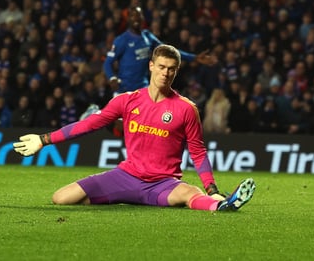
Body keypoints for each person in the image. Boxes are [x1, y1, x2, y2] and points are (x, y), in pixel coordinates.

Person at [13, 44, 255, 211]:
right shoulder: (127, 100)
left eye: (171, 69)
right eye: (161, 67)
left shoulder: (186, 109)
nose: (166, 73)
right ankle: (122, 197)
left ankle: (220, 204)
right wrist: (43, 140)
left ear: (177, 71)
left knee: (189, 193)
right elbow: (89, 124)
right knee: (61, 198)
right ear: (151, 66)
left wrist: (211, 188)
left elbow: (198, 151)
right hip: (125, 177)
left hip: (163, 183)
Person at [103, 6, 217, 94]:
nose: (136, 18)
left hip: (143, 88)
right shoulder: (122, 40)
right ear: (128, 19)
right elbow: (108, 63)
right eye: (132, 15)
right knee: (121, 124)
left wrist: (194, 58)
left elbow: (169, 51)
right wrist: (112, 78)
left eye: (138, 15)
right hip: (124, 89)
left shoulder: (147, 36)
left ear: (142, 18)